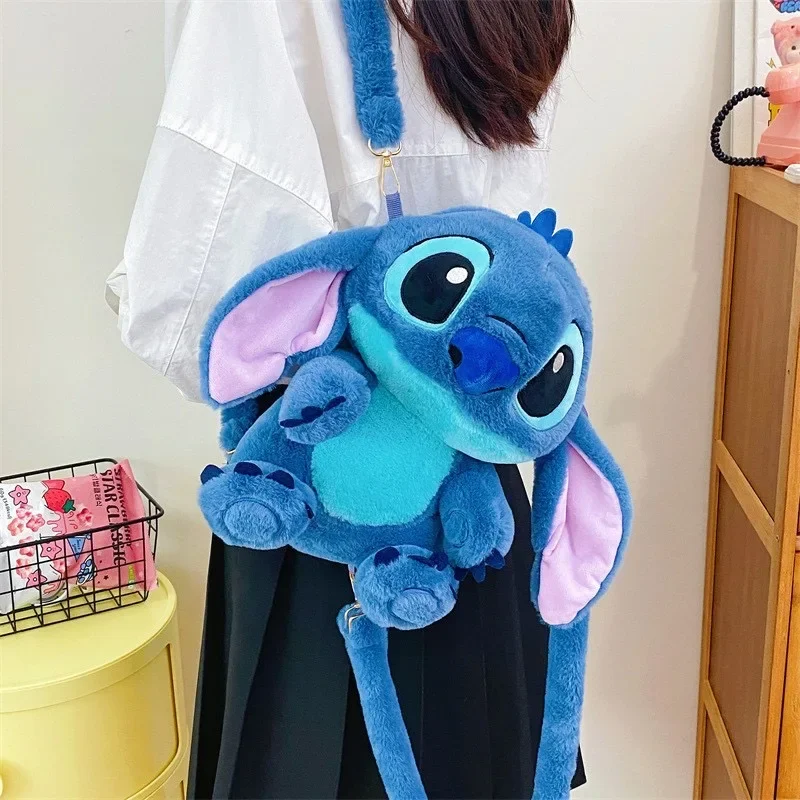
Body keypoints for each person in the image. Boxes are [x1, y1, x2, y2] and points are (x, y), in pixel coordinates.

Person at [107, 1, 584, 797]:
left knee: (300, 761)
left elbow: (200, 319)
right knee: (481, 757)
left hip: (309, 492)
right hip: (470, 494)